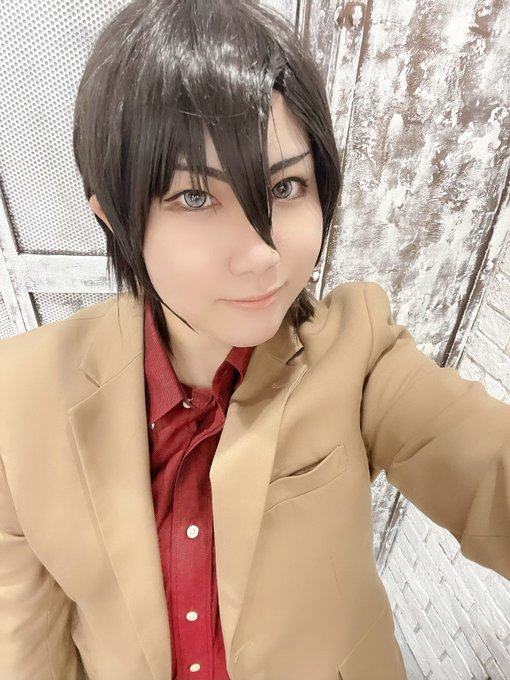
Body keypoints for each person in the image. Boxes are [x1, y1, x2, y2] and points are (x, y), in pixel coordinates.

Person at [0, 0, 509, 678]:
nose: (261, 254)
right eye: (196, 197)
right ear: (114, 217)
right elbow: (26, 640)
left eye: (286, 185)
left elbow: (487, 465)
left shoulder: (357, 354)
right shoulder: (21, 395)